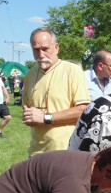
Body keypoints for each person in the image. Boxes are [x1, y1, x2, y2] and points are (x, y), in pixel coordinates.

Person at [23, 28, 90, 156]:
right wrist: (29, 117)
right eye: (36, 50)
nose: (41, 54)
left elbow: (83, 110)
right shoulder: (29, 75)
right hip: (35, 152)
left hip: (65, 151)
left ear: (56, 47)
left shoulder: (72, 71)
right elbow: (28, 110)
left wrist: (46, 118)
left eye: (45, 49)